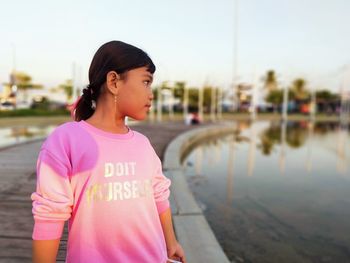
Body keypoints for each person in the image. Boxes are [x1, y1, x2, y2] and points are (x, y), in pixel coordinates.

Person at [31, 40, 186, 263]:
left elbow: (159, 194)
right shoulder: (66, 140)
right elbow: (49, 214)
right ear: (114, 81)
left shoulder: (142, 144)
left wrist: (171, 243)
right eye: (146, 82)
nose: (151, 94)